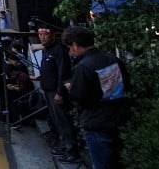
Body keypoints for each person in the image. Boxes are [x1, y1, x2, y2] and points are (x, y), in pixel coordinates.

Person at [64, 26, 129, 169]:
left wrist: (71, 88)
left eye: (70, 47)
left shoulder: (83, 67)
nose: (71, 51)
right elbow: (127, 85)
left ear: (75, 45)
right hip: (120, 119)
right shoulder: (114, 60)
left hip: (97, 123)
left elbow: (79, 98)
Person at [34, 27, 80, 163]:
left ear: (53, 35)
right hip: (48, 90)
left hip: (56, 92)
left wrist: (60, 92)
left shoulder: (59, 51)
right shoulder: (47, 50)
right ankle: (64, 146)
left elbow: (63, 73)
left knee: (63, 121)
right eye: (40, 35)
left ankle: (71, 150)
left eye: (45, 34)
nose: (42, 37)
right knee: (57, 121)